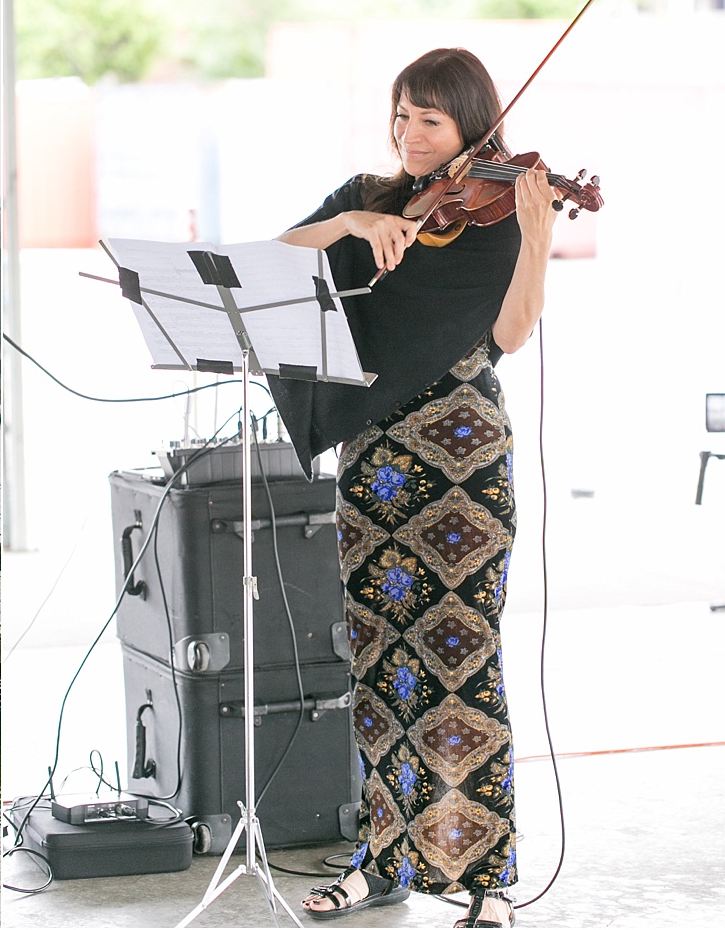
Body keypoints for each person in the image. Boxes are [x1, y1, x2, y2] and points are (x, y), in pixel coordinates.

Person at [271, 47, 559, 929]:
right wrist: (355, 221)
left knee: (462, 665)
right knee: (381, 664)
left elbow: (510, 333)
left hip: (463, 455)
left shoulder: (502, 205)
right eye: (401, 115)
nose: (410, 134)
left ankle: (483, 880)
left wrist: (540, 236)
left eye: (429, 119)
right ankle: (382, 858)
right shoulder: (372, 193)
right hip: (375, 457)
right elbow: (275, 258)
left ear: (472, 121)